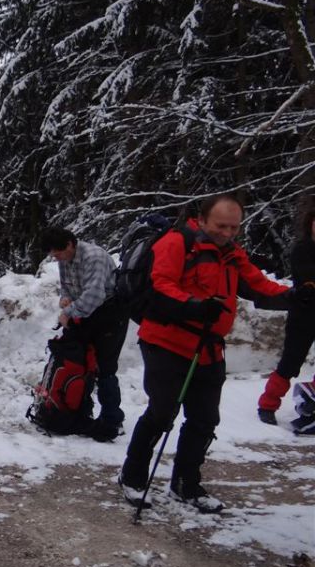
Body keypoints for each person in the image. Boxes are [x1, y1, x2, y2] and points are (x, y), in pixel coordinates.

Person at [119, 195, 289, 513]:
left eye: (234, 227)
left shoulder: (231, 254)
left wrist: (297, 295)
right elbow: (162, 286)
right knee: (162, 412)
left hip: (209, 348)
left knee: (204, 419)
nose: (227, 233)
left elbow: (259, 286)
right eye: (221, 226)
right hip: (166, 342)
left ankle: (186, 484)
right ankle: (133, 476)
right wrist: (196, 306)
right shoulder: (177, 243)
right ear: (203, 219)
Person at [41, 226, 129, 442]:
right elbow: (67, 287)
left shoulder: (94, 257)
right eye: (54, 255)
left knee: (105, 368)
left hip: (109, 314)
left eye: (59, 253)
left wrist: (68, 312)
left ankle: (112, 419)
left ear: (70, 244)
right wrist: (66, 298)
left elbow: (95, 295)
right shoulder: (64, 259)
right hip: (86, 316)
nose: (57, 258)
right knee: (80, 362)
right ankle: (80, 410)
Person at [258, 197, 315, 427]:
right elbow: (307, 278)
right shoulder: (302, 249)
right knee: (291, 362)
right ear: (310, 223)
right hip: (304, 314)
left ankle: (311, 404)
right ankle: (267, 405)